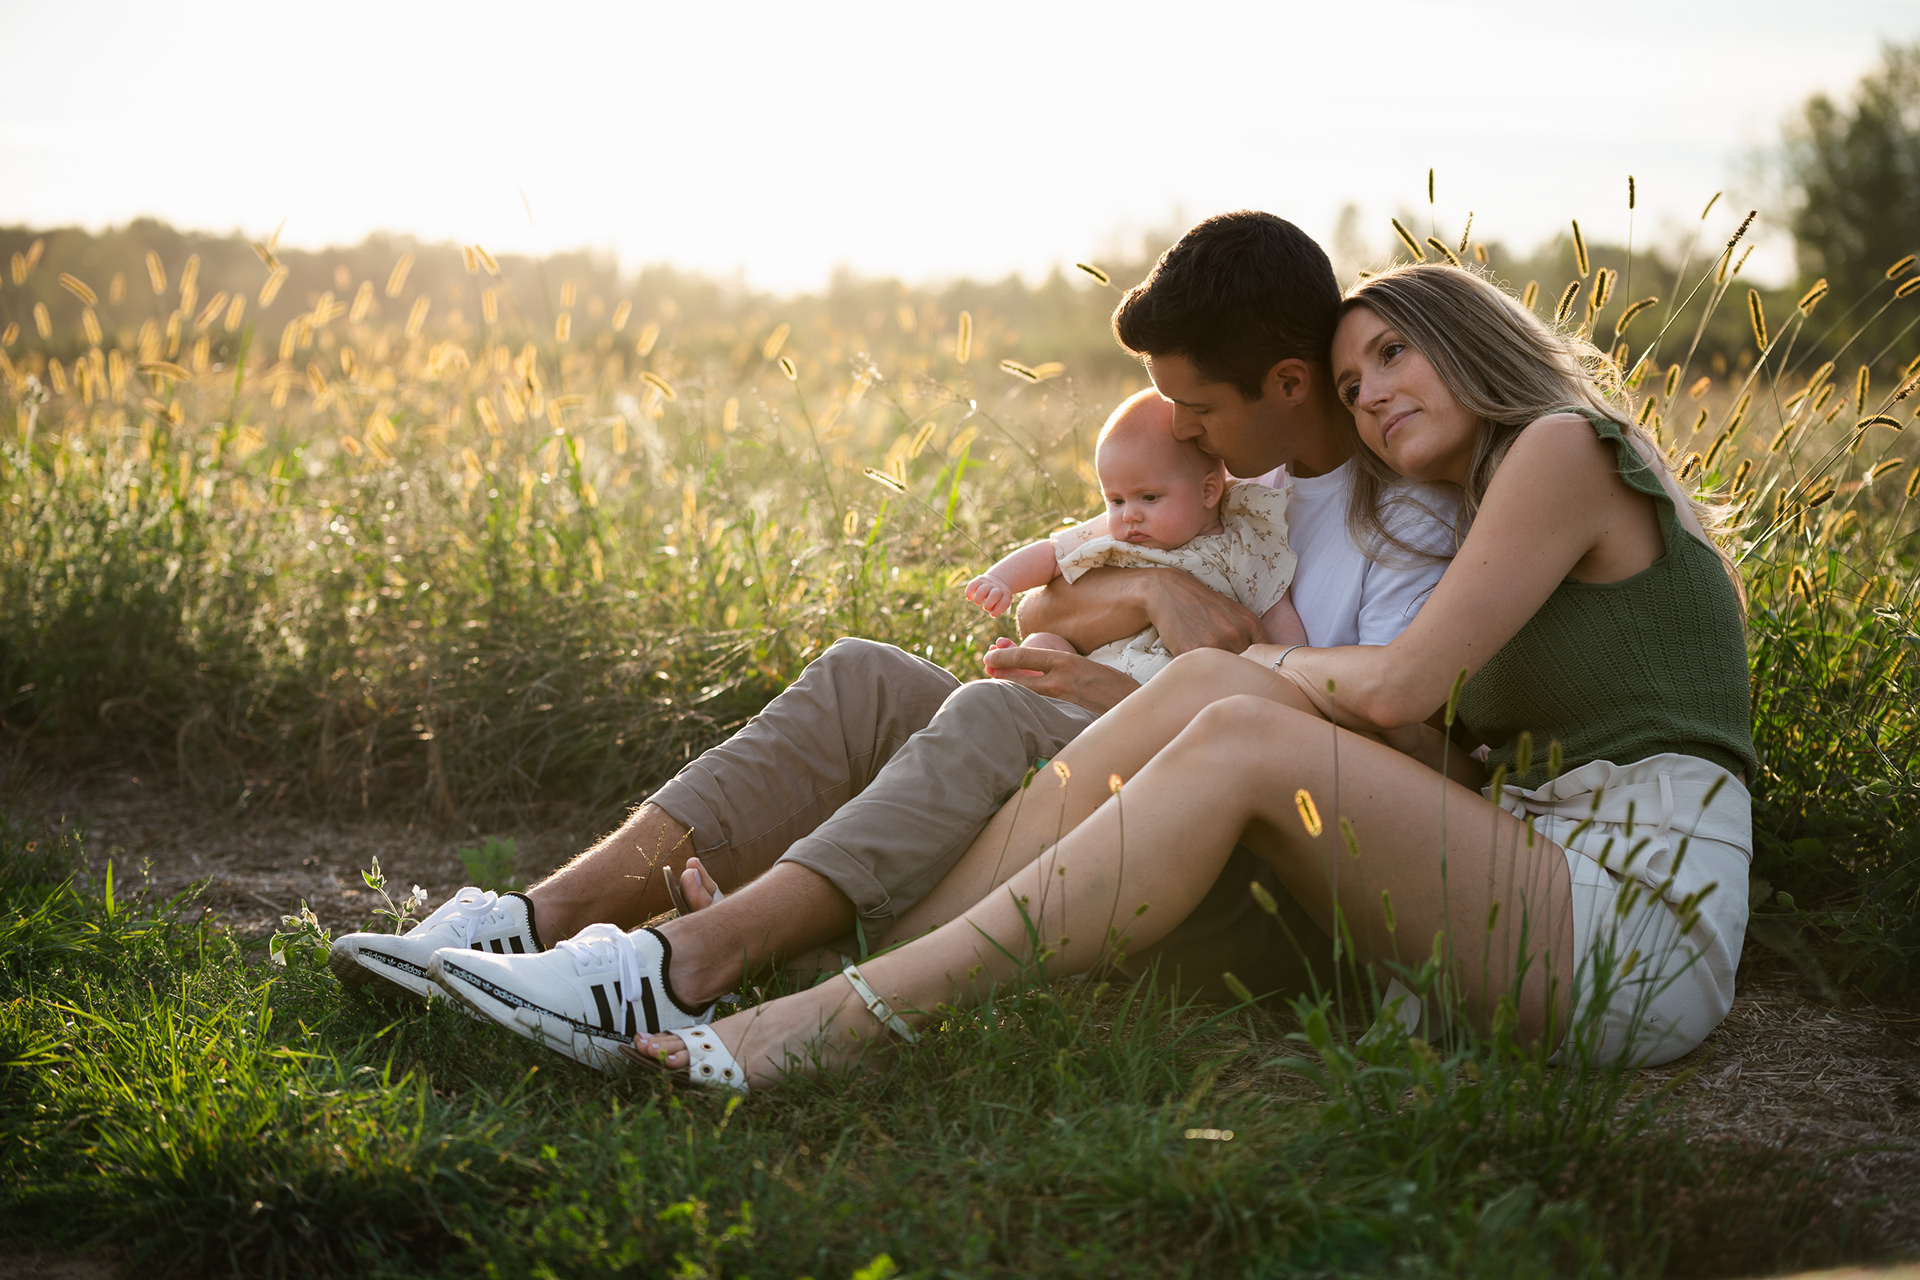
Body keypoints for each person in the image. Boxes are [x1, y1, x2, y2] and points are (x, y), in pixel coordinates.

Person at [331, 211, 1456, 1067]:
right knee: (869, 672)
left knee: (994, 708)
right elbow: (1044, 605)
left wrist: (1130, 688)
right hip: (1104, 741)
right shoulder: (1228, 475)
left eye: (1196, 406)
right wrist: (1151, 605)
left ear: (1288, 383)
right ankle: (545, 919)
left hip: (1203, 851)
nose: (1179, 427)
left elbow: (1369, 752)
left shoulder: (1397, 523)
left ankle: (697, 962)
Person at [601, 259, 1755, 1091]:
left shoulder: (1563, 446)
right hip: (1531, 877)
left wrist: (1247, 656)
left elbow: (1401, 687)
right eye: (1354, 383)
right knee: (1219, 698)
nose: (1374, 394)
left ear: (1471, 339)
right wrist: (1220, 652)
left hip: (1635, 916)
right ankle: (845, 971)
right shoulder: (1479, 503)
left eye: (1395, 352)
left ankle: (834, 1009)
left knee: (1235, 707)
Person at [966, 386, 1306, 679]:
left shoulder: (1239, 540)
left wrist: (1290, 668)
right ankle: (1030, 682)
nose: (1129, 514)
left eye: (1149, 497)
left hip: (1172, 682)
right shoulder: (1112, 533)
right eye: (1115, 499)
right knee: (1044, 645)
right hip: (1092, 670)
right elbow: (1050, 554)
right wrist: (1000, 581)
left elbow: (1275, 609)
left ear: (1208, 491)